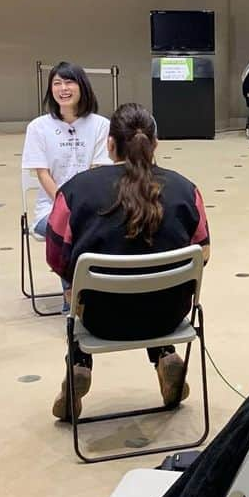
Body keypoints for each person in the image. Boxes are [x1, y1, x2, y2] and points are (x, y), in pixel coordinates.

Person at [44, 102, 211, 421]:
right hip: (168, 315)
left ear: (109, 145)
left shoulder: (76, 190)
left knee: (76, 280)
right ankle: (164, 353)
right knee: (153, 280)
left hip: (101, 318)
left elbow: (55, 255)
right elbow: (202, 252)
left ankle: (79, 364)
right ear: (155, 145)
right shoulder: (185, 189)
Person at [21, 61, 111, 239]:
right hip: (51, 210)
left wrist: (82, 208)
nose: (63, 88)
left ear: (82, 86)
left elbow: (98, 172)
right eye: (57, 83)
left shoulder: (101, 125)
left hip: (92, 208)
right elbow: (42, 174)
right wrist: (65, 207)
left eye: (69, 82)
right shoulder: (38, 127)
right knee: (78, 231)